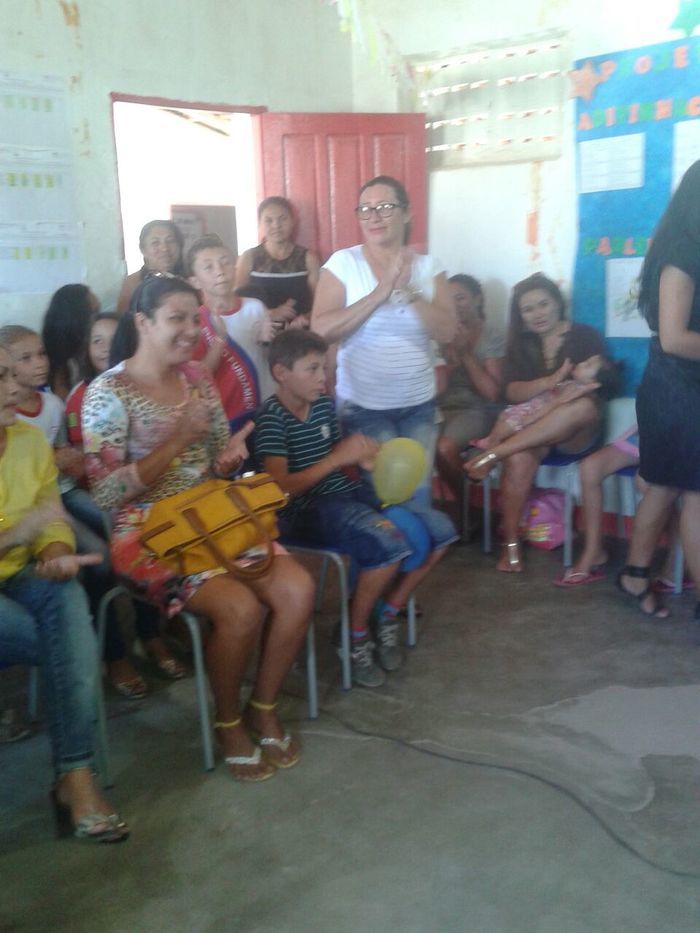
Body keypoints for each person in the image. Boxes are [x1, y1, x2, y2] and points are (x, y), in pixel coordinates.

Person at [82, 275, 314, 781]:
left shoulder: (197, 380)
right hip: (146, 532)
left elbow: (211, 461)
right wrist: (175, 440)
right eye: (177, 319)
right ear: (142, 322)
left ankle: (264, 706)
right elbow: (104, 495)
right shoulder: (107, 392)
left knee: (298, 588)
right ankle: (228, 720)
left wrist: (226, 460)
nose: (191, 330)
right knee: (239, 609)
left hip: (212, 513)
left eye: (195, 318)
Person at [256, 330, 457, 687]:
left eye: (325, 367)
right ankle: (355, 634)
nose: (323, 377)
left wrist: (364, 460)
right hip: (303, 512)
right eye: (313, 368)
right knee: (389, 545)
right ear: (280, 373)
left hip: (343, 495)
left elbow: (339, 456)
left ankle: (387, 612)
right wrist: (338, 459)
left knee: (441, 531)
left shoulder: (321, 405)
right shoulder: (272, 418)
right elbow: (278, 491)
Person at [0, 345, 128, 842]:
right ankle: (75, 778)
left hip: (21, 573)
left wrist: (55, 549)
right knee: (67, 642)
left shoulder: (30, 442)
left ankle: (74, 773)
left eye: (14, 375)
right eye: (1, 377)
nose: (15, 388)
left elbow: (51, 516)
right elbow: (28, 522)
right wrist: (17, 533)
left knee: (68, 597)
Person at [311, 175, 457, 507]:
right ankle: (392, 556)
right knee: (385, 496)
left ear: (406, 214)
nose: (374, 216)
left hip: (418, 406)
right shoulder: (343, 264)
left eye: (385, 207)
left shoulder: (429, 267)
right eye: (365, 209)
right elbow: (322, 330)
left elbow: (447, 332)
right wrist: (381, 292)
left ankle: (409, 556)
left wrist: (408, 291)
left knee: (417, 497)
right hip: (364, 407)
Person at [65, 313, 185, 695]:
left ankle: (152, 634)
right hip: (76, 493)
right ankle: (116, 654)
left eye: (113, 340)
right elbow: (91, 467)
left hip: (129, 491)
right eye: (96, 341)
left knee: (152, 533)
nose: (105, 348)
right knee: (100, 555)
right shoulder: (84, 395)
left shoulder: (148, 384)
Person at [464, 273, 610, 573]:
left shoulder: (584, 336)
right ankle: (511, 545)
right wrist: (550, 383)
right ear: (520, 315)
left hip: (576, 432)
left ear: (558, 303)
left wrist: (567, 392)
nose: (537, 314)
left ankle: (492, 454)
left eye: (543, 304)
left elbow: (605, 382)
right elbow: (511, 391)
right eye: (528, 309)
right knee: (518, 459)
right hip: (534, 431)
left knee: (580, 406)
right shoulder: (520, 345)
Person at [617, 160, 700, 621]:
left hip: (684, 387)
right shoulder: (681, 259)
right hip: (676, 389)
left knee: (667, 487)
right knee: (693, 493)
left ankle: (633, 575)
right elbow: (674, 338)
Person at [186, 235, 280, 425]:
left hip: (265, 411)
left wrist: (269, 341)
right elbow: (195, 378)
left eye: (225, 262)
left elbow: (272, 361)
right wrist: (219, 342)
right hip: (225, 419)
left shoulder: (255, 307)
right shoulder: (193, 322)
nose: (220, 271)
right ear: (194, 281)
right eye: (208, 267)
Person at [435, 275, 505, 500]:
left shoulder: (492, 334)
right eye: (449, 299)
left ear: (478, 299)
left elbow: (492, 394)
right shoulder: (440, 335)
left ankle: (464, 506)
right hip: (440, 407)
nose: (455, 305)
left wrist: (465, 353)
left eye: (461, 298)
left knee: (444, 448)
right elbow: (435, 387)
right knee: (414, 441)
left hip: (477, 410)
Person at [475, 354, 618, 449]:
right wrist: (558, 376)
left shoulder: (577, 392)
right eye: (585, 361)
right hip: (529, 408)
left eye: (587, 365)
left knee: (507, 426)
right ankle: (492, 442)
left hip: (535, 414)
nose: (581, 363)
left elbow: (555, 405)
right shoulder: (571, 384)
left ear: (595, 383)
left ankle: (491, 444)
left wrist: (530, 419)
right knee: (503, 418)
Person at [235, 196, 320, 327]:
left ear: (293, 221)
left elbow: (320, 303)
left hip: (300, 335)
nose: (276, 225)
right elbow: (237, 303)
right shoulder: (249, 257)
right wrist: (269, 313)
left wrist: (305, 318)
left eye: (282, 219)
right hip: (258, 333)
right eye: (269, 220)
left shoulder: (308, 258)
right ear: (260, 223)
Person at [42, 284, 100, 399]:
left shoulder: (94, 346)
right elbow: (66, 405)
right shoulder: (56, 361)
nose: (98, 319)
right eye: (93, 313)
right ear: (75, 318)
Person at [116, 219, 185, 314]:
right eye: (155, 243)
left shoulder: (191, 280)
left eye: (170, 241)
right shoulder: (133, 284)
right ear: (143, 249)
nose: (164, 248)